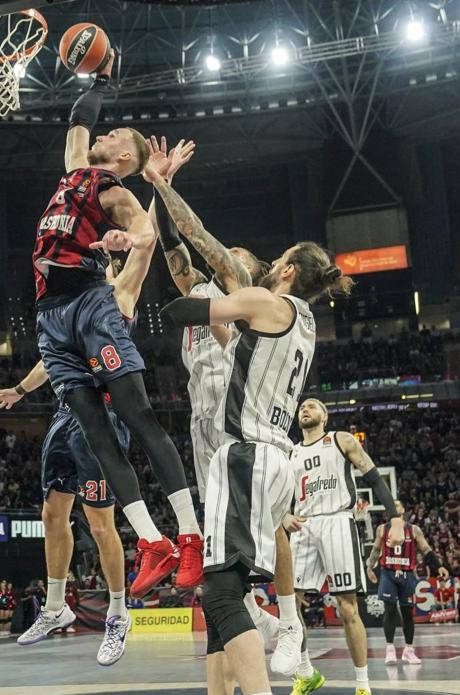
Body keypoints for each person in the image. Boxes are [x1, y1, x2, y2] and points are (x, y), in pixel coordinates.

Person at [149, 179, 355, 695]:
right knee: (220, 600)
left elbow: (195, 274)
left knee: (219, 597)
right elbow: (190, 270)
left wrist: (160, 183)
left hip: (247, 456)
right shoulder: (294, 321)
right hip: (257, 459)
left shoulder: (269, 303)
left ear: (284, 269)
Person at [31, 51, 203, 600]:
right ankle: (153, 542)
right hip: (50, 315)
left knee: (137, 418)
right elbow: (79, 118)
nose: (98, 135)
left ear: (122, 153)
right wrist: (101, 77)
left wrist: (128, 236)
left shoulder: (114, 192)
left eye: (110, 135)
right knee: (93, 434)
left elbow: (146, 238)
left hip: (88, 304)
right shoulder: (75, 173)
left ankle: (189, 534)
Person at [0, 221, 157, 665]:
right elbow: (49, 362)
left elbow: (144, 250)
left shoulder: (117, 296)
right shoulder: (66, 310)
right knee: (51, 513)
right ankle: (56, 605)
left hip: (102, 417)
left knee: (101, 524)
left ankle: (119, 615)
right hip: (67, 415)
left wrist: (156, 188)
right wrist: (20, 391)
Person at [146, 136, 280, 649]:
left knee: (237, 525)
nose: (228, 254)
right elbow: (174, 248)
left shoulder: (247, 294)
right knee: (214, 528)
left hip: (237, 411)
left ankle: (278, 613)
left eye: (236, 253)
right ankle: (254, 617)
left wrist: (161, 182)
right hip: (201, 414)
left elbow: (200, 239)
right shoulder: (201, 293)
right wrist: (161, 192)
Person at [279, 399, 405, 695]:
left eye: (312, 405)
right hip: (304, 526)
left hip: (337, 520)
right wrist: (283, 516)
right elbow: (277, 494)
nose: (304, 409)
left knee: (347, 608)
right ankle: (306, 672)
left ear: (325, 415)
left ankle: (364, 691)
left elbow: (374, 476)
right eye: (301, 407)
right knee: (289, 609)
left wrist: (395, 520)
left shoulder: (340, 440)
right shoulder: (290, 452)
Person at [366, 501, 438, 666]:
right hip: (388, 573)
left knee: (407, 613)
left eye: (398, 505)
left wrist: (438, 566)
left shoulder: (413, 529)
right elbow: (376, 550)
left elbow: (426, 550)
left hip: (406, 574)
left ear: (403, 509)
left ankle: (409, 650)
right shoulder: (382, 529)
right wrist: (370, 567)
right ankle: (390, 649)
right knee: (390, 609)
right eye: (392, 505)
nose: (395, 507)